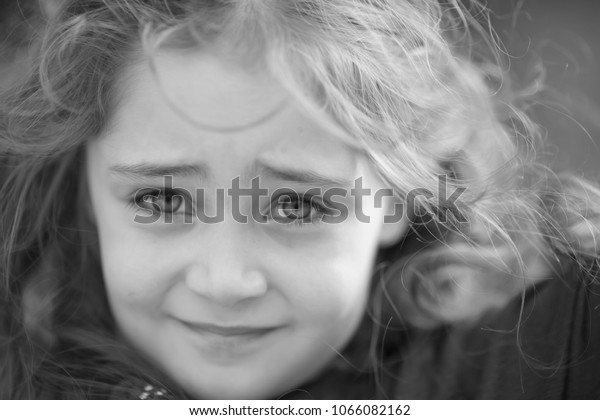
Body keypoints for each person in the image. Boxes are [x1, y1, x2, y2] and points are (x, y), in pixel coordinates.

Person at [1, 0, 599, 400]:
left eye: (296, 207)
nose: (225, 281)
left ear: (399, 194)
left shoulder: (534, 352)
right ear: (84, 177)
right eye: (162, 200)